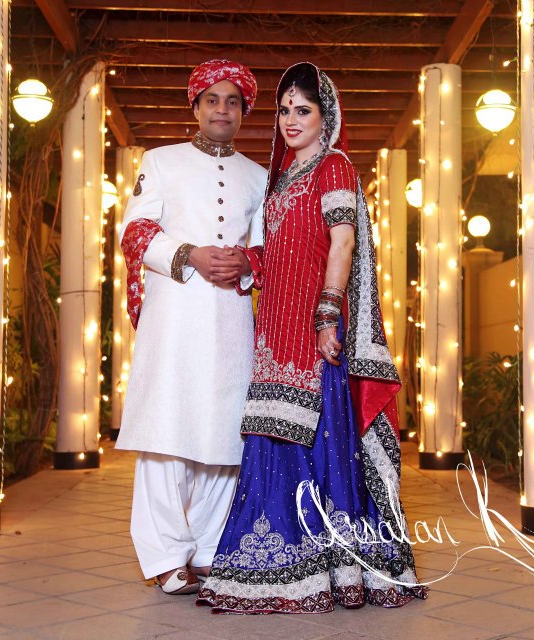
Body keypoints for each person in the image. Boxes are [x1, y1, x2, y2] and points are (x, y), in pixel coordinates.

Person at [197, 62, 426, 614]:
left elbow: (342, 243)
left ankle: (329, 570)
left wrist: (327, 314)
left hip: (314, 330)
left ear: (328, 116)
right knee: (271, 440)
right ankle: (270, 563)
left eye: (303, 110)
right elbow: (281, 252)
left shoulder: (334, 167)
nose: (290, 120)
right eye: (284, 110)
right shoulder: (282, 178)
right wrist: (247, 262)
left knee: (317, 445)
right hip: (274, 331)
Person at [117, 59, 267, 595]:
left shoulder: (259, 177)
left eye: (232, 102)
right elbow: (134, 231)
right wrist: (189, 254)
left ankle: (206, 548)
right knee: (167, 430)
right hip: (174, 313)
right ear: (196, 107)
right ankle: (164, 555)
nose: (222, 109)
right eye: (212, 100)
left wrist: (247, 262)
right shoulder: (160, 161)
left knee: (224, 432)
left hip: (230, 318)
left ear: (243, 111)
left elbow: (267, 247)